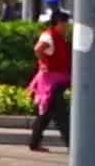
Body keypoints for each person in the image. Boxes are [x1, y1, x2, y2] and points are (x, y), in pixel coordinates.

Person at [28, 10, 71, 153]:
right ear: (58, 23)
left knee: (45, 115)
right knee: (61, 115)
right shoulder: (49, 36)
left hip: (57, 81)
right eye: (65, 24)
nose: (66, 27)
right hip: (51, 84)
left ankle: (34, 143)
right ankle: (73, 145)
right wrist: (43, 62)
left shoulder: (58, 36)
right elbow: (38, 49)